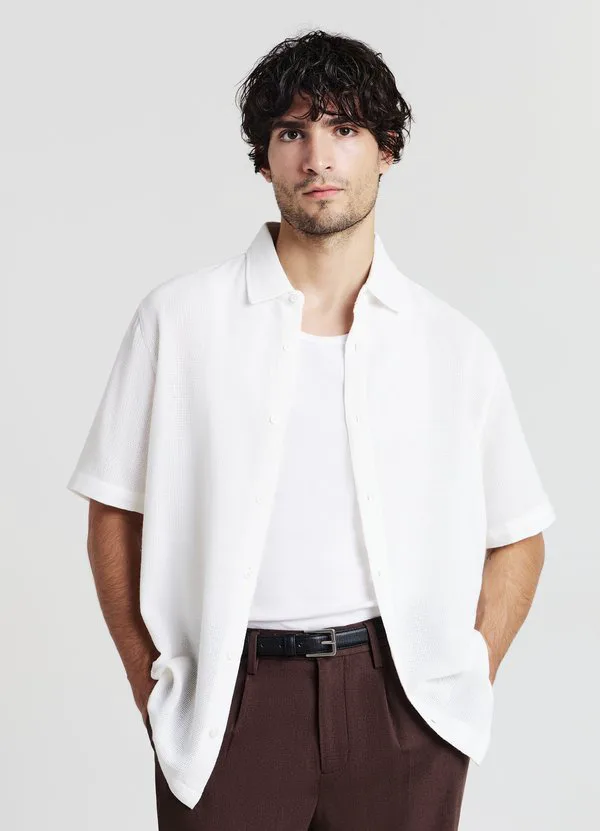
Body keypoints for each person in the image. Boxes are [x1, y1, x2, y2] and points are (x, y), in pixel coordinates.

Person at [66, 28, 556, 831]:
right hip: (233, 704)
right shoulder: (180, 323)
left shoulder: (451, 345)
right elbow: (113, 511)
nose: (318, 158)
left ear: (386, 150)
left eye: (345, 129)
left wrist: (468, 670)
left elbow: (519, 535)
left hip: (403, 708)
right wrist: (150, 683)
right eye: (293, 133)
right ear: (264, 159)